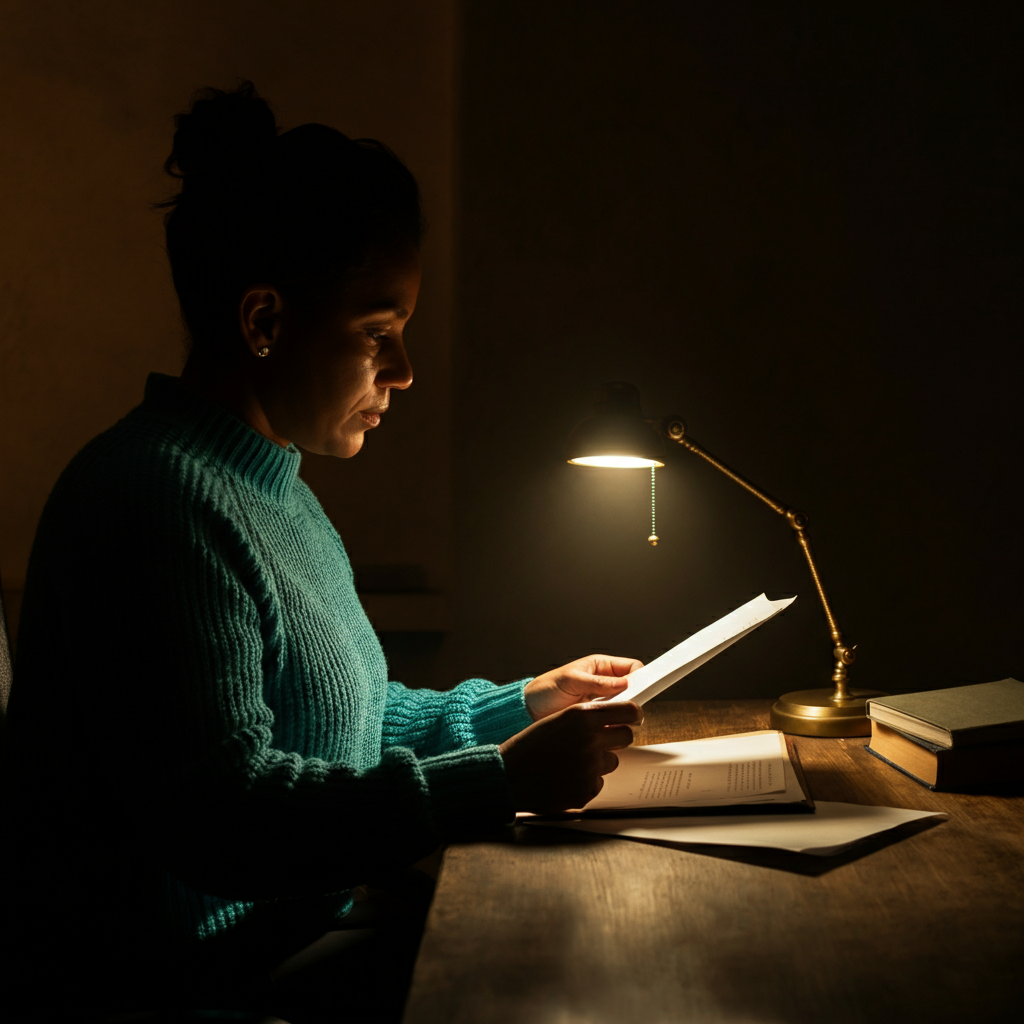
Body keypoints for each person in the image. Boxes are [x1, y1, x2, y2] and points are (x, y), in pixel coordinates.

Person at [2, 83, 642, 1022]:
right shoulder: (152, 501)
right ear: (262, 322)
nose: (404, 371)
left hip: (293, 945)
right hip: (192, 988)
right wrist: (496, 781)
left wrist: (520, 705)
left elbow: (338, 721)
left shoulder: (272, 488)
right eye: (379, 333)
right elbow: (228, 817)